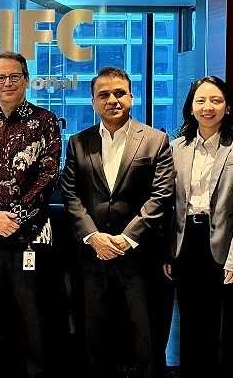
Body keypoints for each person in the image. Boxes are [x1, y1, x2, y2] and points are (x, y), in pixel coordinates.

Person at [60, 67, 174, 378]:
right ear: (93, 101)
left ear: (131, 97)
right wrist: (93, 237)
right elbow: (70, 195)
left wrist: (126, 239)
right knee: (94, 337)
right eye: (104, 94)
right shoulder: (77, 143)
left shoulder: (156, 140)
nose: (113, 99)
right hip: (91, 257)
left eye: (119, 93)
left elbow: (160, 196)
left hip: (138, 257)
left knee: (145, 339)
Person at [0, 52, 61, 378]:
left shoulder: (45, 121)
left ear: (26, 79)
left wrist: (15, 215)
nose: (7, 83)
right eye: (0, 77)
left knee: (31, 312)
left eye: (13, 76)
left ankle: (34, 372)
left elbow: (48, 176)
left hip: (29, 234)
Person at [164, 76, 233, 378]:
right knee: (190, 327)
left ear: (227, 107)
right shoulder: (175, 147)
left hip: (226, 245)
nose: (208, 107)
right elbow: (169, 204)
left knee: (224, 330)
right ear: (191, 108)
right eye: (201, 101)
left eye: (216, 100)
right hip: (186, 244)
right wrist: (168, 252)